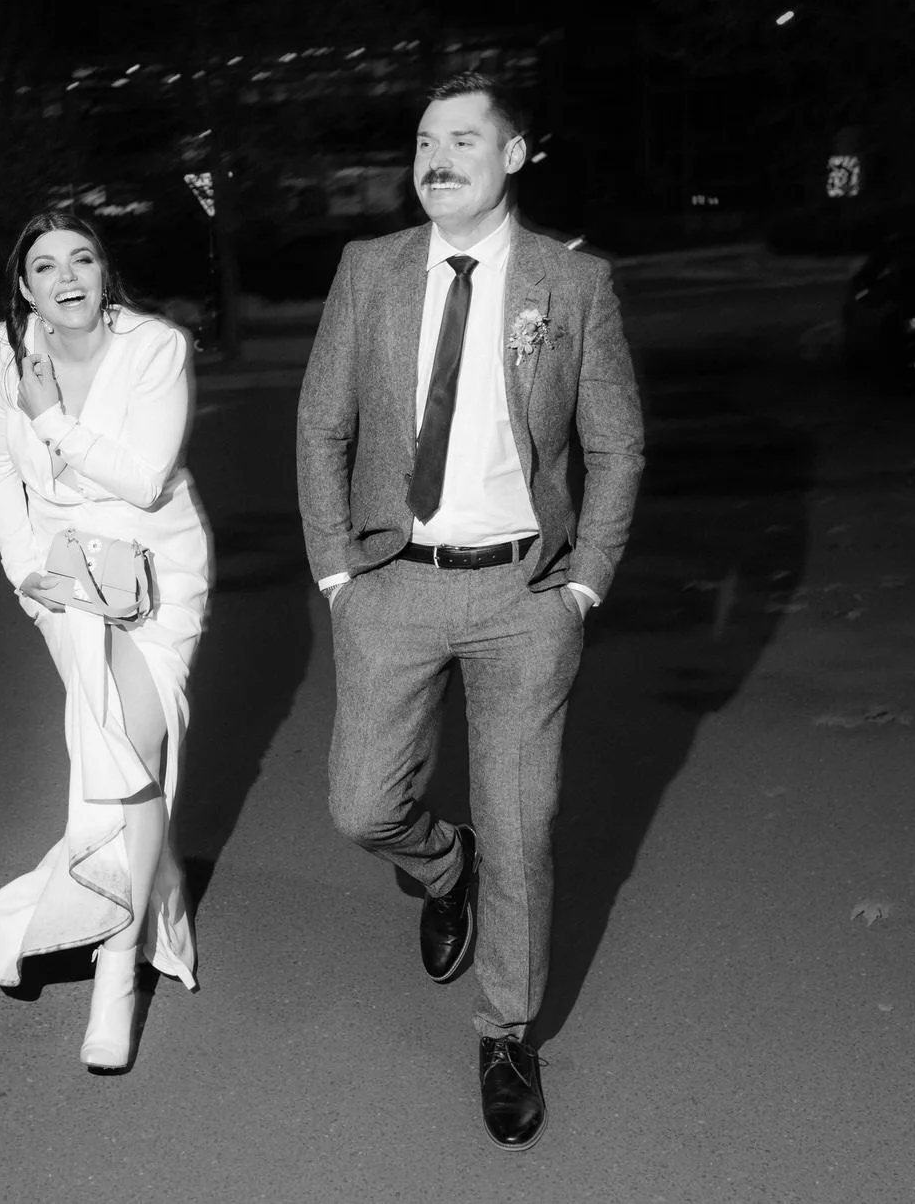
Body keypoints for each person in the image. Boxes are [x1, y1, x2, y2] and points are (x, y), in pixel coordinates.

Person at [296, 71, 644, 1149]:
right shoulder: (369, 270)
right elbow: (320, 427)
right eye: (422, 139)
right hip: (392, 579)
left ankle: (504, 1030)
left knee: (524, 823)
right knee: (360, 805)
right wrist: (336, 577)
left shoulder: (570, 282)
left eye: (459, 139)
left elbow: (614, 443)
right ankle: (446, 867)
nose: (434, 157)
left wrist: (583, 578)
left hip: (522, 592)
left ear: (513, 154)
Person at [0, 210, 212, 1074]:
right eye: (44, 266)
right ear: (22, 284)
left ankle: (116, 963)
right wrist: (21, 568)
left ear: (106, 272)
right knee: (115, 745)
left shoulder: (156, 348)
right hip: (64, 572)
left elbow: (144, 477)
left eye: (83, 260)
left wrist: (53, 417)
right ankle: (155, 884)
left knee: (128, 734)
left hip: (156, 565)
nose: (66, 278)